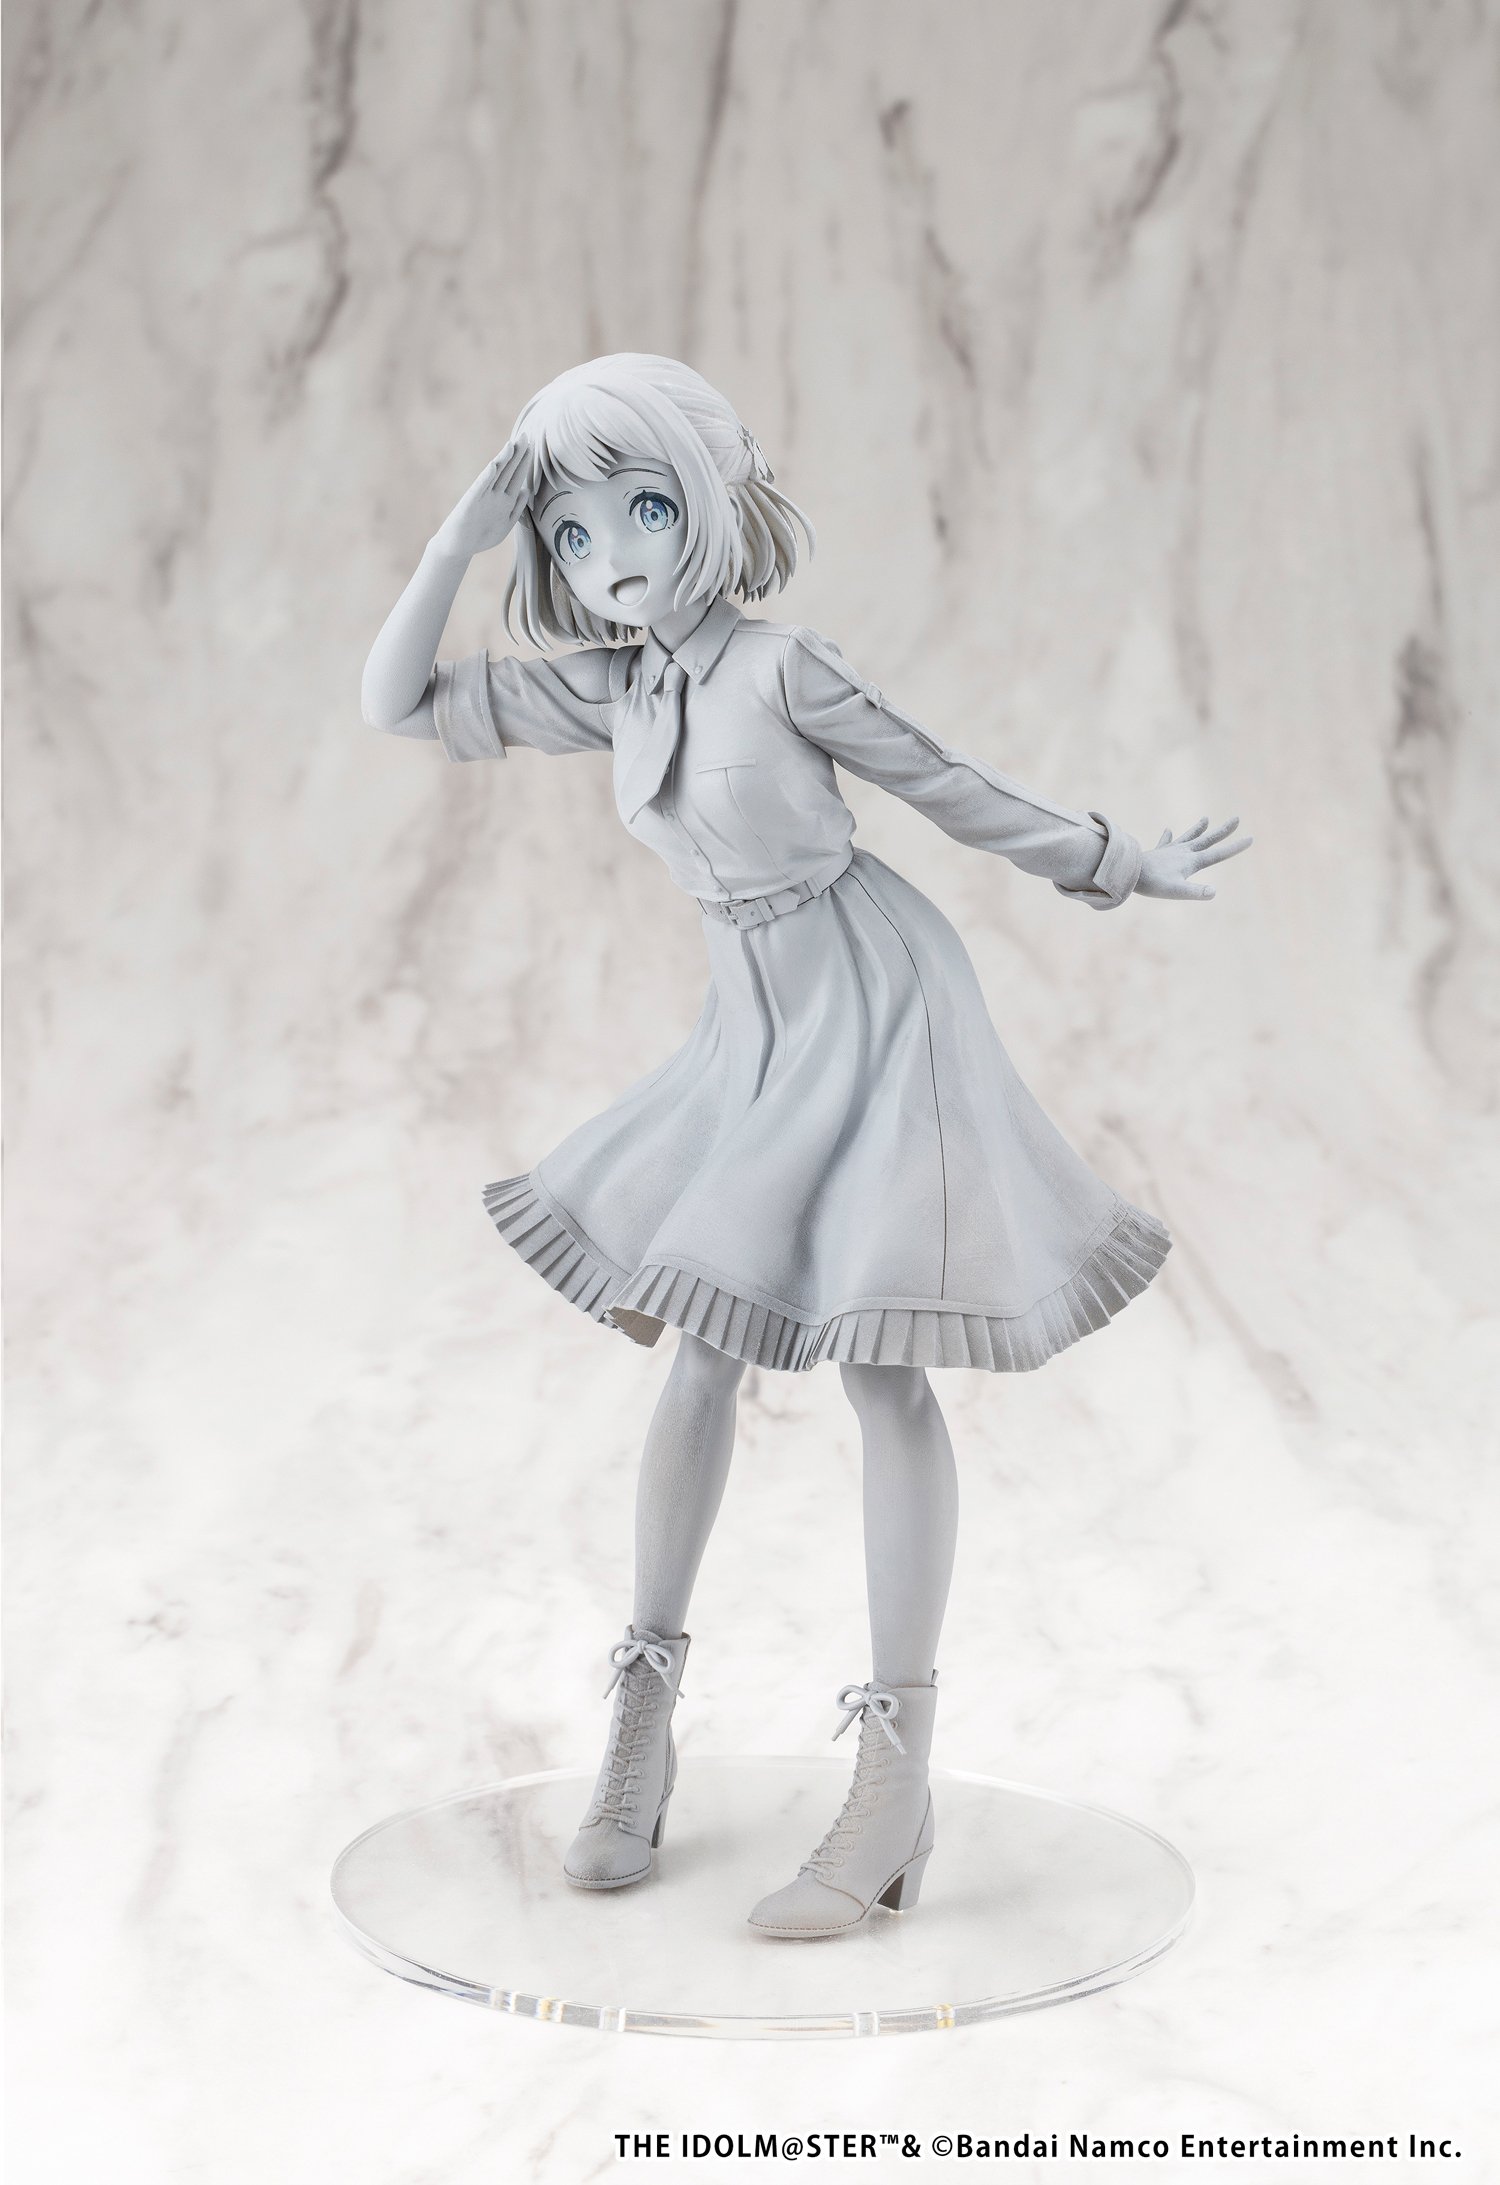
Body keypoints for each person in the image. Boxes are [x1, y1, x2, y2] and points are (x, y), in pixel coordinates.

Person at [361, 353, 1250, 1940]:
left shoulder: (783, 668)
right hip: (753, 1019)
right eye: (571, 531)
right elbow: (399, 700)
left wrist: (1119, 858)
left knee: (877, 1361)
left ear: (709, 500)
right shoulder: (616, 684)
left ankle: (893, 1782)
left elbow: (949, 785)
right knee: (700, 1341)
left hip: (878, 998)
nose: (610, 556)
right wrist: (458, 539)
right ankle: (642, 1723)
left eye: (643, 509)